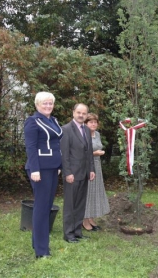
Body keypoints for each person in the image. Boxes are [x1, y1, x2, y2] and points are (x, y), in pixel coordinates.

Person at [24, 91, 63, 259]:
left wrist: (59, 165)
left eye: (50, 103)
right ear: (37, 105)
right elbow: (30, 148)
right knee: (41, 208)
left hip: (53, 168)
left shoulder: (53, 120)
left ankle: (38, 243)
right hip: (40, 169)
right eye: (44, 103)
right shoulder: (32, 122)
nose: (48, 106)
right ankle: (41, 251)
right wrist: (34, 170)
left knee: (46, 207)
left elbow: (56, 144)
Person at [61, 103, 95, 243]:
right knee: (70, 205)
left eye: (84, 113)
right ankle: (68, 234)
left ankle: (77, 231)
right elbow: (64, 154)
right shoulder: (66, 129)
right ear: (73, 112)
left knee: (80, 204)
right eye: (79, 112)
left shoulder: (86, 130)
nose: (81, 115)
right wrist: (67, 172)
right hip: (72, 175)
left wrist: (91, 169)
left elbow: (89, 153)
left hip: (84, 173)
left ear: (86, 115)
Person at [82, 113, 110, 231]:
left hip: (97, 166)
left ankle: (91, 218)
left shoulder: (97, 134)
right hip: (87, 165)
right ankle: (84, 220)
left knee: (95, 192)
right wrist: (95, 153)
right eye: (90, 122)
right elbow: (81, 153)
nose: (93, 124)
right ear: (85, 123)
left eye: (95, 122)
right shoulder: (83, 134)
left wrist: (98, 154)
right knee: (87, 192)